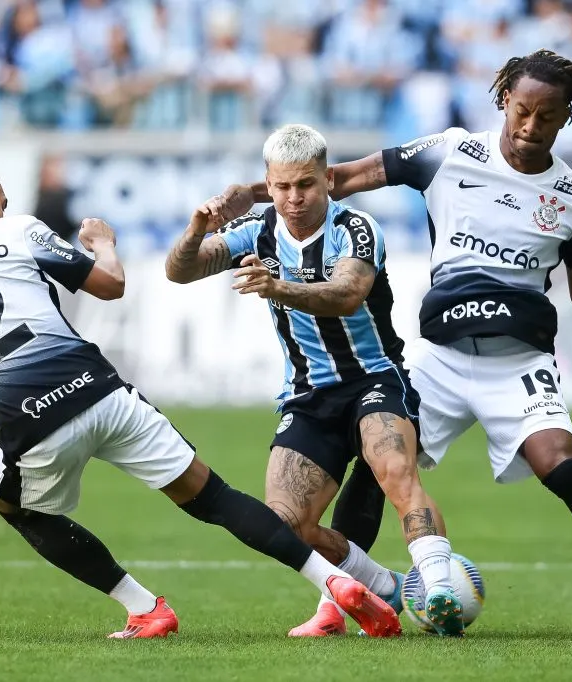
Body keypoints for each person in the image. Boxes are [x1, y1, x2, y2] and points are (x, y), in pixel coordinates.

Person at [212, 50, 572, 637]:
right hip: (442, 359)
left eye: (547, 118)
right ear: (504, 98)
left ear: (566, 119)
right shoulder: (452, 152)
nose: (531, 128)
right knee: (378, 461)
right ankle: (345, 597)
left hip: (519, 361)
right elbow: (343, 177)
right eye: (522, 111)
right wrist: (255, 194)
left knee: (559, 467)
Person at [0, 157, 401, 640]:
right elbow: (110, 284)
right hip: (104, 392)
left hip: (33, 421)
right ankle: (333, 579)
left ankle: (144, 608)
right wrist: (103, 243)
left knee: (13, 506)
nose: (4, 207)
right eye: (0, 199)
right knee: (212, 496)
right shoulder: (17, 231)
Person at [165, 124, 465, 637]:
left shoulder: (358, 228)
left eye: (305, 185)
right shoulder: (257, 231)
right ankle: (388, 587)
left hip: (374, 380)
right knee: (285, 524)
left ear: (327, 179)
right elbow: (180, 271)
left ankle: (439, 586)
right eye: (281, 187)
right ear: (268, 183)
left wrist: (276, 285)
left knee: (393, 467)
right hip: (307, 395)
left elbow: (346, 294)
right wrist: (195, 230)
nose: (293, 198)